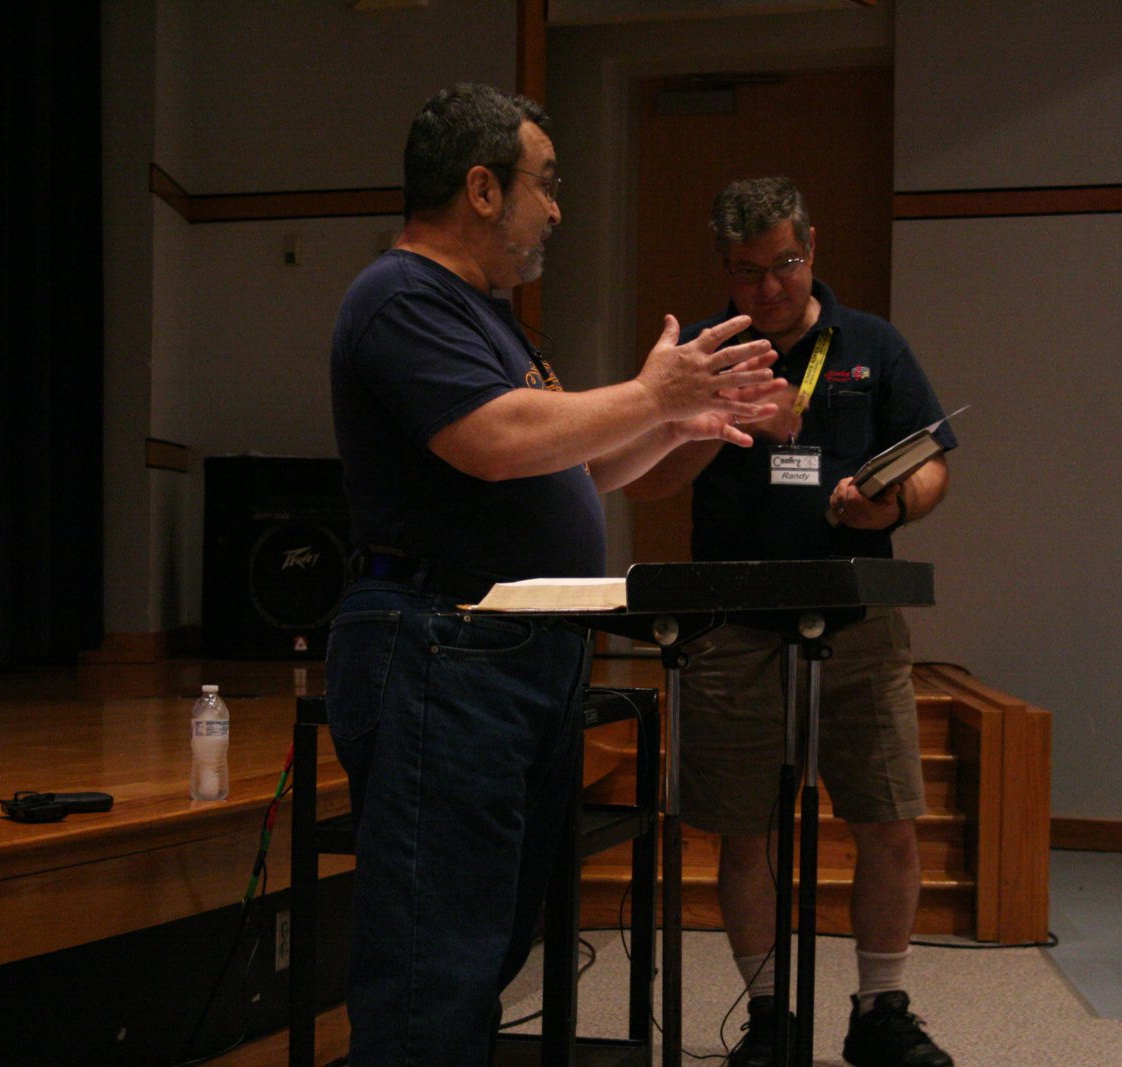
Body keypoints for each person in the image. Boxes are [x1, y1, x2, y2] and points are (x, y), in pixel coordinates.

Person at [325, 84, 785, 1067]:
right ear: (482, 188)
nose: (557, 209)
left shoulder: (490, 320)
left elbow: (576, 463)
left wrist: (672, 420)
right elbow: (496, 441)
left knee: (485, 945)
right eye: (545, 183)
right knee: (433, 965)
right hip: (441, 646)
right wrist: (647, 393)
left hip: (508, 658)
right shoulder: (401, 295)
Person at [627, 176, 957, 1067]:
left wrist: (891, 506)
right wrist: (718, 418)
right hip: (732, 622)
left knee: (889, 819)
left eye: (784, 264)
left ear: (810, 248)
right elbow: (645, 484)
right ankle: (770, 1013)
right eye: (746, 271)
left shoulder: (873, 344)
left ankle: (881, 1009)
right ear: (723, 268)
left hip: (856, 619)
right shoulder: (699, 355)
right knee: (747, 831)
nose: (768, 287)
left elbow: (932, 462)